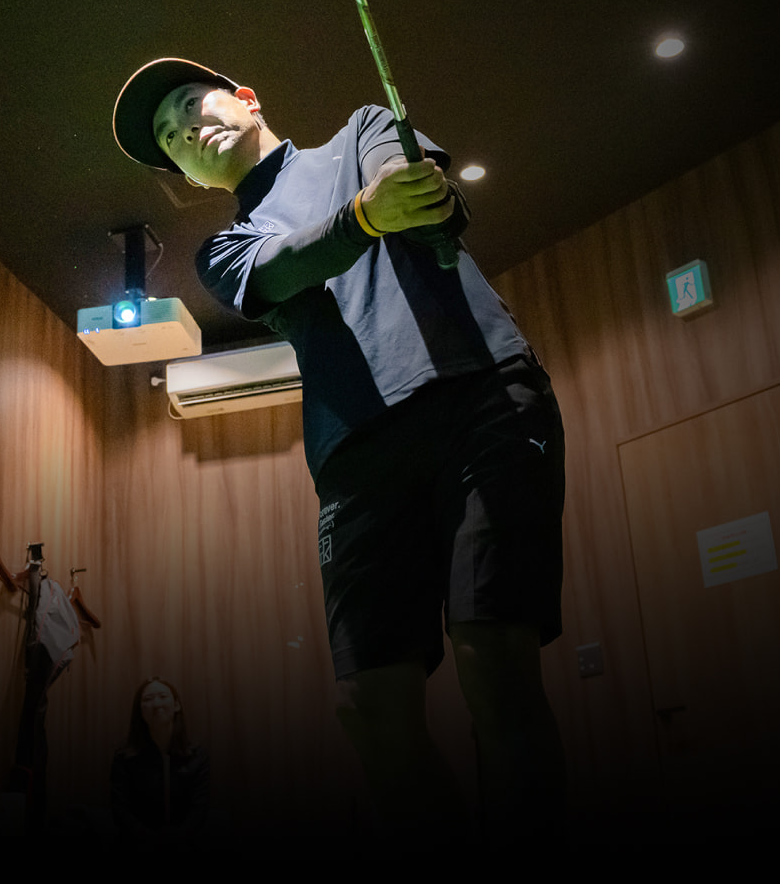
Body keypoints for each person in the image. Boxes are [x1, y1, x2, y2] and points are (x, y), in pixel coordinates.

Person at [111, 59, 567, 843]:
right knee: (368, 706)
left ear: (247, 97)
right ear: (183, 172)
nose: (185, 127)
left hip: (478, 398)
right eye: (169, 137)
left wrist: (416, 198)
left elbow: (413, 186)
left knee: (494, 655)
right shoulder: (226, 249)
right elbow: (289, 267)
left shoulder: (359, 132)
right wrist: (365, 217)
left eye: (191, 104)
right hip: (355, 453)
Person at [110, 677, 210, 849]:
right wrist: (150, 841)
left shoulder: (197, 756)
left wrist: (178, 839)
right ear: (140, 711)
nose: (156, 704)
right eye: (148, 699)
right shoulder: (124, 757)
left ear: (176, 705)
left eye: (163, 696)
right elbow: (120, 809)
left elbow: (199, 808)